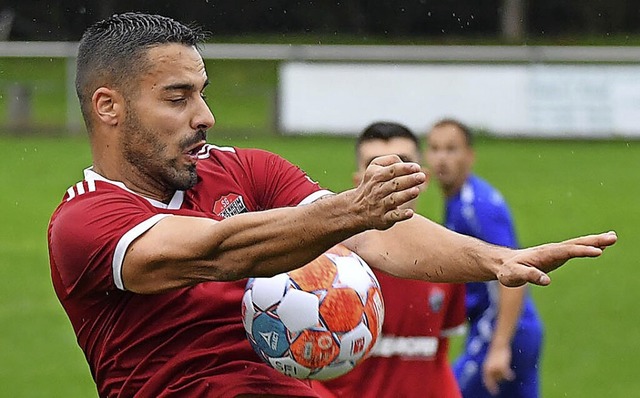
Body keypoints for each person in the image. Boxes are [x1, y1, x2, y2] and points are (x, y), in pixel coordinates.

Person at [47, 12, 617, 398]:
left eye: (202, 91)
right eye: (178, 97)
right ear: (108, 106)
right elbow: (222, 250)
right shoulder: (84, 223)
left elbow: (377, 237)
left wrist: (494, 260)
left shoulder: (248, 170)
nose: (205, 115)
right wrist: (351, 210)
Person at [314, 121, 466, 398]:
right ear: (358, 182)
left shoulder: (445, 256)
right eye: (377, 167)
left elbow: (437, 356)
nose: (392, 177)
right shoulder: (325, 266)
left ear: (424, 178)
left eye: (404, 164)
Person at [425, 118, 544, 398]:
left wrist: (500, 345)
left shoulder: (476, 207)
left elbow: (515, 269)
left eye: (451, 149)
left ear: (470, 156)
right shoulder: (459, 200)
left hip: (501, 330)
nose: (442, 159)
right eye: (435, 149)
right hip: (513, 329)